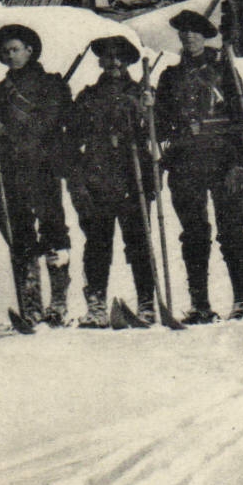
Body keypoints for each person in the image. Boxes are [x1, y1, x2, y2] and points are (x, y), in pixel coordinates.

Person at [153, 10, 243, 323]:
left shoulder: (225, 69)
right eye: (183, 32)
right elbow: (161, 125)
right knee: (194, 234)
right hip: (186, 163)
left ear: (204, 35)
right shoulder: (170, 76)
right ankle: (200, 305)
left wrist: (240, 162)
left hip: (224, 159)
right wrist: (150, 111)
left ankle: (242, 301)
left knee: (232, 231)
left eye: (195, 32)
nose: (188, 37)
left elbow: (242, 119)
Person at [0, 23, 72, 326]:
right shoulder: (0, 89)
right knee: (19, 234)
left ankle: (57, 304)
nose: (10, 56)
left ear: (30, 50)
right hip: (9, 171)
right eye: (5, 52)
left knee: (53, 229)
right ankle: (31, 305)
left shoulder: (51, 85)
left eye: (15, 49)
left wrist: (5, 130)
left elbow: (48, 123)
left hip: (42, 166)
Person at [66, 36, 158, 327]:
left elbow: (157, 133)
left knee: (139, 243)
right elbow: (72, 140)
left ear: (129, 61)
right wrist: (78, 181)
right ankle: (96, 306)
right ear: (100, 62)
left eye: (120, 57)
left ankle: (146, 304)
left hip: (134, 177)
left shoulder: (143, 93)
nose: (115, 63)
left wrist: (149, 111)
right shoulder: (88, 97)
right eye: (108, 57)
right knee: (97, 245)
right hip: (98, 177)